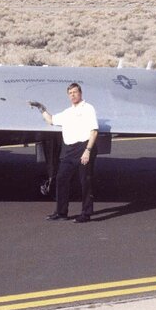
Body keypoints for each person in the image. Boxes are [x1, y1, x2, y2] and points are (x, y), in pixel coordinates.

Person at [29, 83, 99, 223]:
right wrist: (41, 108)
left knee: (85, 181)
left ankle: (85, 214)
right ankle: (61, 212)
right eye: (70, 93)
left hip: (84, 148)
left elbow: (94, 131)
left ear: (80, 93)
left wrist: (87, 151)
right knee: (61, 178)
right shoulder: (67, 112)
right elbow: (51, 120)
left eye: (75, 92)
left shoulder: (88, 109)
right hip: (69, 150)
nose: (73, 95)